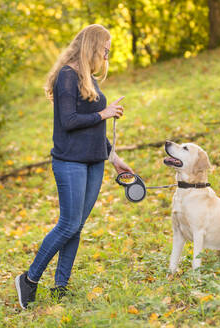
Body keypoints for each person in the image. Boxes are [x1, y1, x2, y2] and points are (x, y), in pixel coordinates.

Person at [15, 24, 134, 309]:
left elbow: (94, 128)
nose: (107, 54)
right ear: (92, 45)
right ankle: (29, 280)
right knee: (67, 224)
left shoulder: (87, 78)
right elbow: (68, 122)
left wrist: (114, 158)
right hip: (70, 162)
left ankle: (61, 286)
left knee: (77, 227)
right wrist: (104, 113)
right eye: (105, 48)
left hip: (94, 162)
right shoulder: (67, 76)